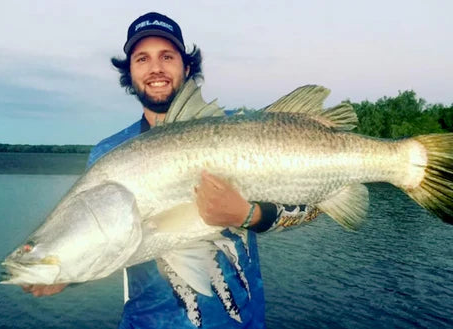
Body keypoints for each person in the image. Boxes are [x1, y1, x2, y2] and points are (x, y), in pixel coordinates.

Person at [23, 12, 319, 328]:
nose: (155, 68)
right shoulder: (109, 154)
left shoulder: (242, 128)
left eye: (167, 56)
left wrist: (249, 215)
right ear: (130, 71)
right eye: (142, 59)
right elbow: (108, 241)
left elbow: (315, 206)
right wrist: (66, 274)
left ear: (186, 66)